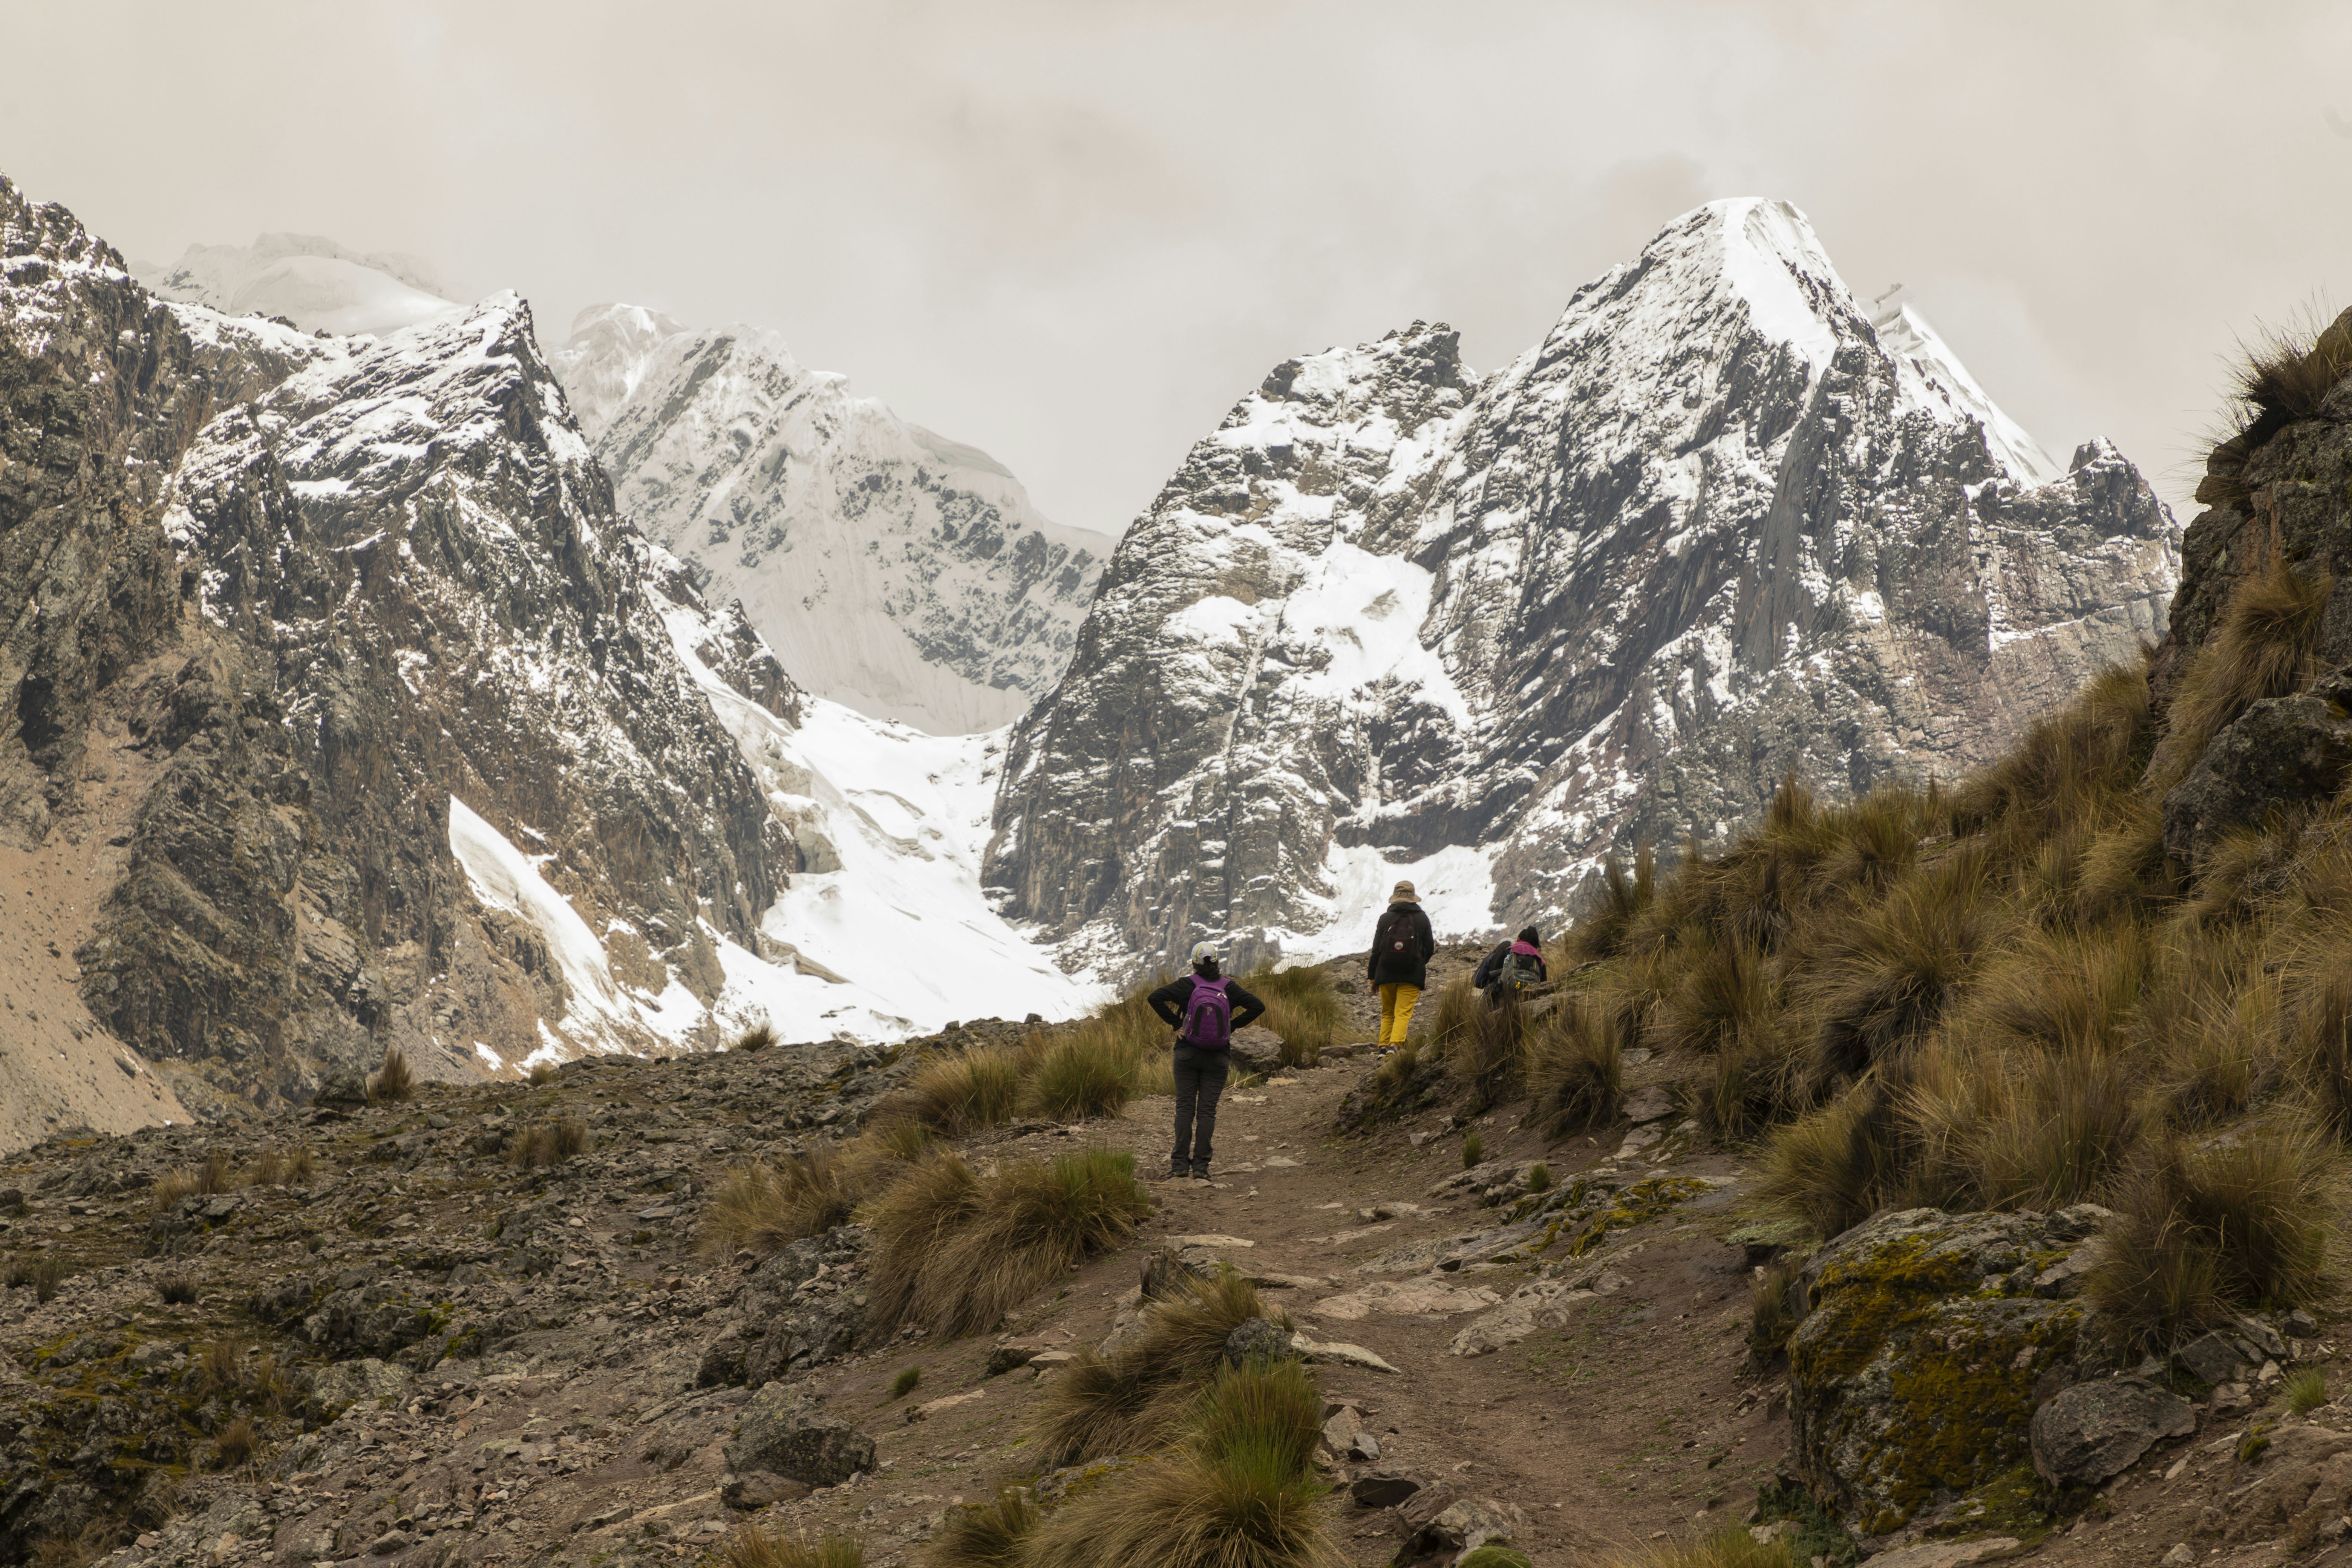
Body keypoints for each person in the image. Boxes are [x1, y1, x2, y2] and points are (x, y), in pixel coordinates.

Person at [1147, 943, 1266, 1180]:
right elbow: (1258, 1006)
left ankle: (1180, 1165)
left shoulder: (1187, 985)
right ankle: (1201, 1167)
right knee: (1207, 1113)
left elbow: (1155, 997)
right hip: (1218, 1057)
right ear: (1218, 962)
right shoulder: (1229, 987)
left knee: (1184, 1109)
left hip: (1186, 1054)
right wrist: (1232, 1026)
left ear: (1194, 964)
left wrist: (1177, 1024)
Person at [1368, 881, 1436, 1048]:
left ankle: (1383, 1047)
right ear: (1413, 897)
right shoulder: (1422, 918)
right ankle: (1395, 1046)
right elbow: (1430, 948)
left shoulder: (1385, 919)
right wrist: (1418, 962)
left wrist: (1373, 978)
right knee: (1403, 1014)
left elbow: (1376, 951)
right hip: (1412, 975)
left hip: (1386, 973)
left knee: (1388, 1014)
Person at [1473, 926, 1549, 1005]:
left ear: (1519, 939)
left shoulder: (1509, 951)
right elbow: (1543, 985)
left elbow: (1493, 975)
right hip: (1530, 1001)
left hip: (1505, 998)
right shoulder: (1539, 959)